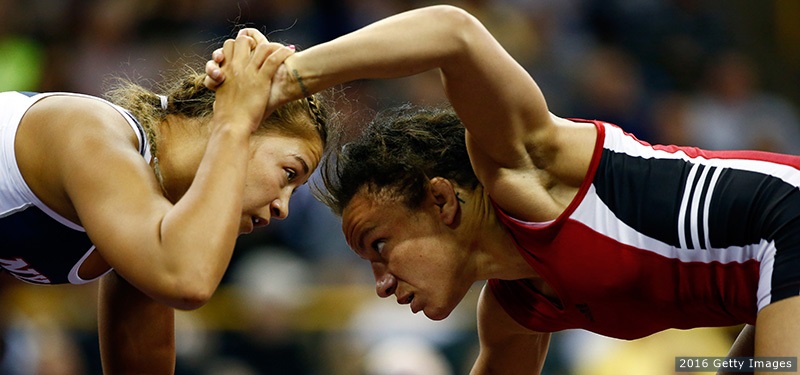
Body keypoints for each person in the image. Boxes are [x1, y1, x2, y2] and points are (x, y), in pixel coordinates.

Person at [206, 5, 800, 374]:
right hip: (760, 282)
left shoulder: (525, 171)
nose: (381, 283)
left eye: (379, 245)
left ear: (442, 200)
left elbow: (453, 33)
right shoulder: (517, 313)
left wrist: (284, 80)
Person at [1, 37, 328, 373]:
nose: (282, 208)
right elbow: (187, 281)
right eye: (289, 173)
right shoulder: (93, 133)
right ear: (249, 121)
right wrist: (234, 122)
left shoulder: (148, 218)